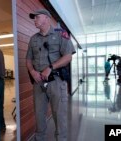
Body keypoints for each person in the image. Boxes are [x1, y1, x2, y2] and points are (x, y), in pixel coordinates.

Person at [26, 9, 76, 141]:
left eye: (37, 17)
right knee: (39, 115)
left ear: (46, 18)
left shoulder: (61, 35)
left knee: (59, 116)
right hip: (38, 83)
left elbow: (68, 56)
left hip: (56, 82)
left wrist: (51, 67)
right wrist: (32, 71)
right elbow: (28, 59)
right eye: (34, 18)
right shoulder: (33, 39)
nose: (34, 20)